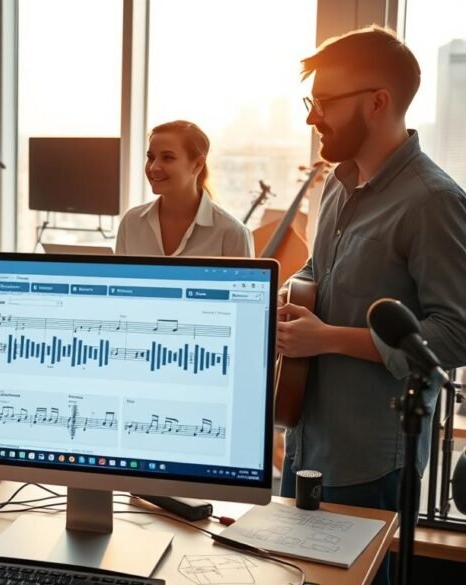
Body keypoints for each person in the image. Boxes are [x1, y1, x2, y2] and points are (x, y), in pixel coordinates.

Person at [276, 26, 466, 585]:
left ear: (378, 101)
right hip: (309, 439)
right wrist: (286, 302)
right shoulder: (337, 184)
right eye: (313, 102)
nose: (314, 117)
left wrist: (328, 337)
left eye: (326, 102)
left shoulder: (434, 202)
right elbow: (317, 275)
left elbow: (456, 335)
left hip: (369, 458)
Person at [115, 120, 252, 257]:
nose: (153, 167)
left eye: (167, 158)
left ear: (197, 165)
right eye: (151, 157)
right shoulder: (131, 222)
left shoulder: (233, 233)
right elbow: (117, 278)